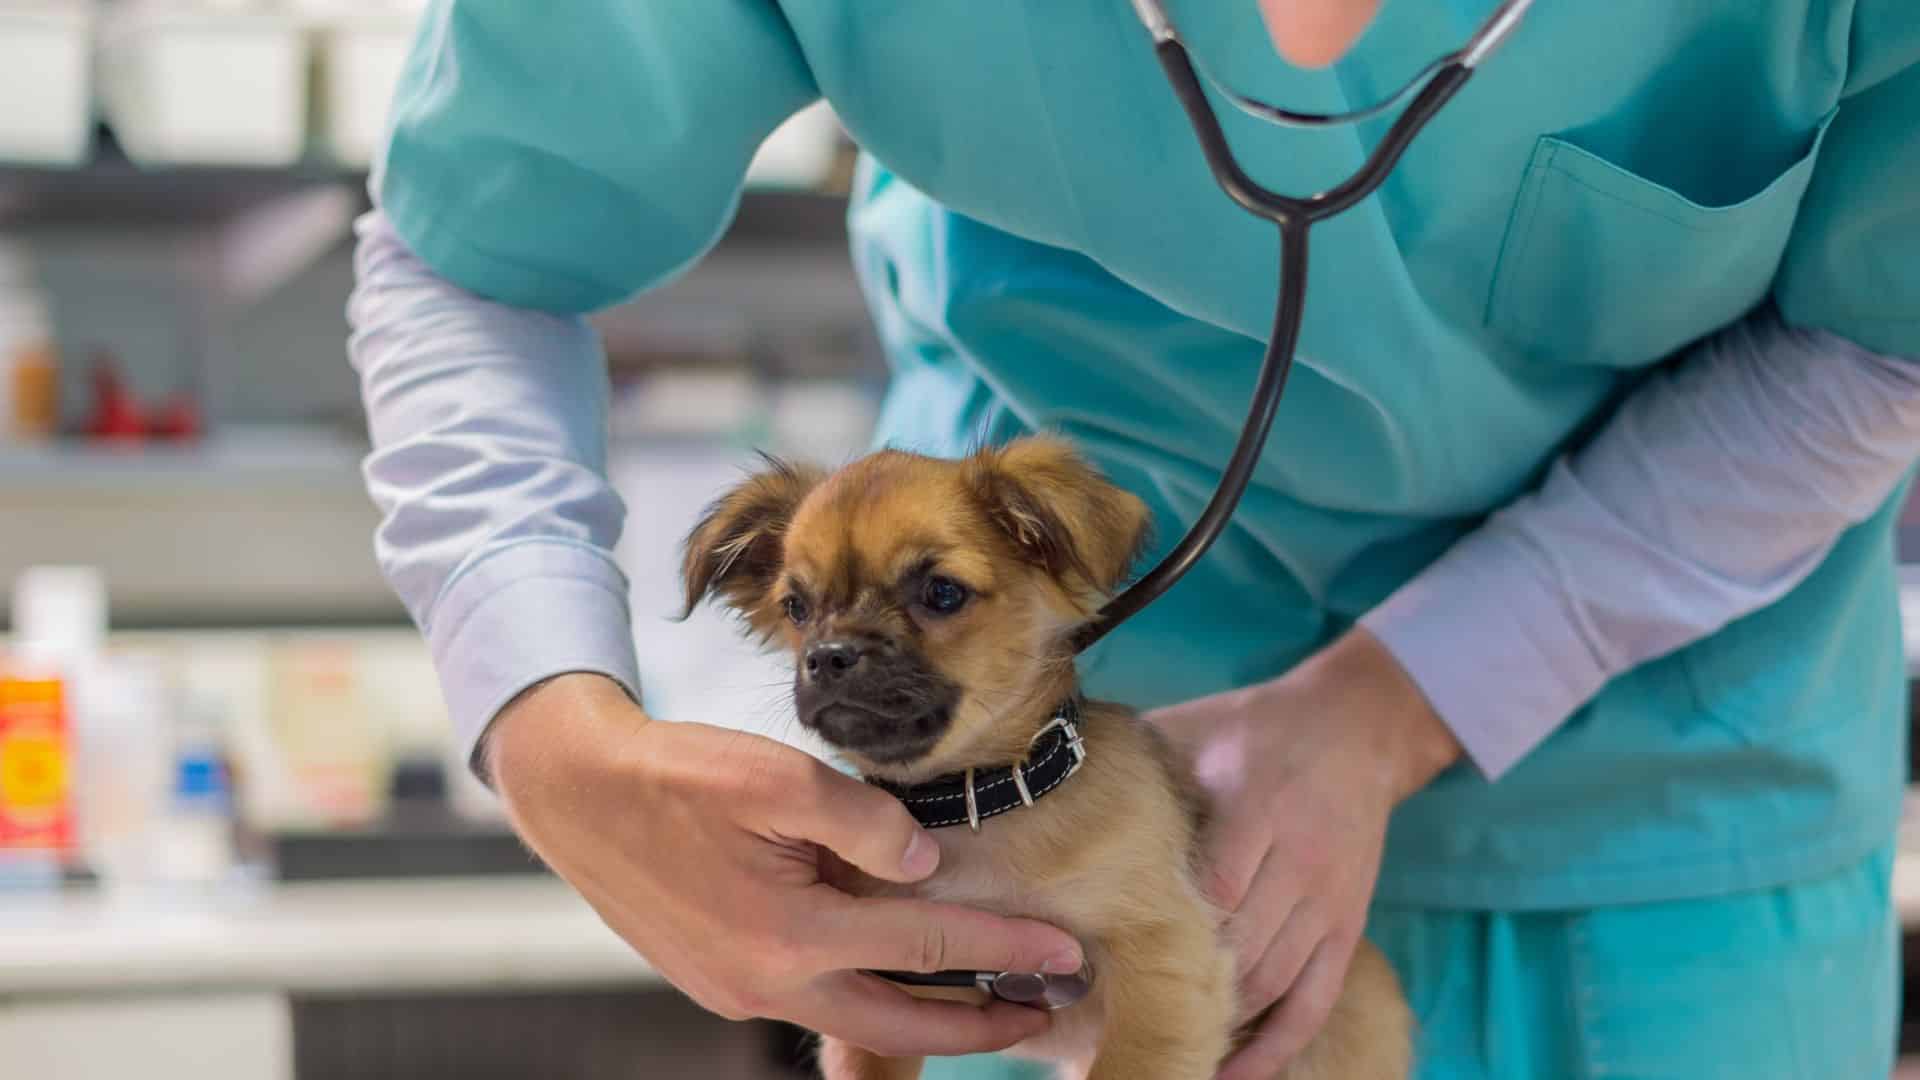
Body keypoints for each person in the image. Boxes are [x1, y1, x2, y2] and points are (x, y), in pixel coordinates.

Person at [346, 1, 1920, 1077]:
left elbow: (1883, 334)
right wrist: (554, 736)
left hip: (1664, 823)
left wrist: (1399, 702)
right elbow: (477, 245)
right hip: (1011, 900)